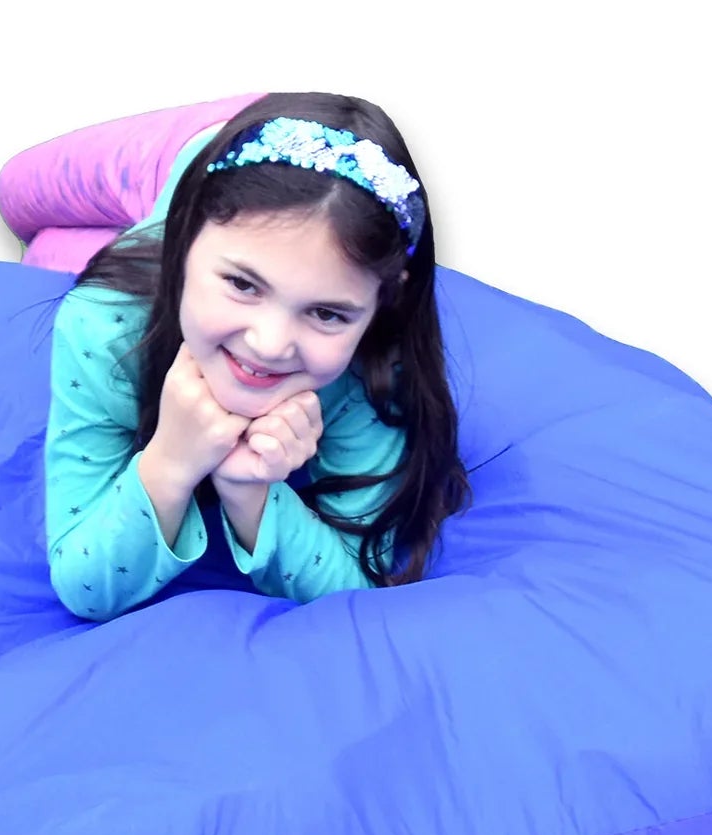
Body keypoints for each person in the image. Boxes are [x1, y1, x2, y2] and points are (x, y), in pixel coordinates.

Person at [43, 91, 471, 622]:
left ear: (384, 302)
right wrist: (171, 461)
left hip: (251, 174)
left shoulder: (373, 367)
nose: (269, 344)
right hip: (178, 153)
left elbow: (356, 590)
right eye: (243, 285)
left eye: (327, 313)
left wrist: (250, 491)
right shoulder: (104, 323)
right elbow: (83, 584)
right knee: (22, 197)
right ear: (185, 238)